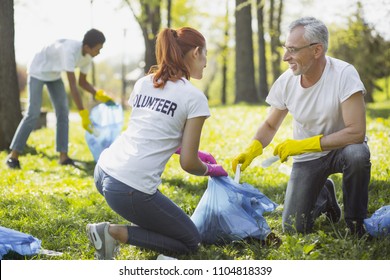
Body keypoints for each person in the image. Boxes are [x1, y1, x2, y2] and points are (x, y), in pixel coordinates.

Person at [86, 27, 228, 260]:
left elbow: (153, 131)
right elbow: (188, 164)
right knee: (190, 240)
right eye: (204, 55)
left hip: (103, 172)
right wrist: (210, 170)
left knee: (164, 225)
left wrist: (198, 153)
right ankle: (112, 232)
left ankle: (120, 231)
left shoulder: (145, 82)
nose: (205, 62)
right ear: (195, 53)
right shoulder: (194, 98)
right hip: (129, 188)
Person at [232, 17, 371, 237]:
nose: (286, 57)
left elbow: (356, 132)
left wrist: (305, 144)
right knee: (293, 228)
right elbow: (270, 124)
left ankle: (355, 223)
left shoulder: (344, 74)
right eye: (286, 49)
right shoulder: (287, 81)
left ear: (317, 50)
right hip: (308, 158)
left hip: (342, 148)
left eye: (293, 50)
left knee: (358, 154)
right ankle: (324, 195)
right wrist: (253, 148)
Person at [6, 28, 113, 169]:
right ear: (87, 47)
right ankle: (13, 156)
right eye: (98, 49)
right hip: (38, 69)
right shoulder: (69, 51)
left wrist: (99, 94)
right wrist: (83, 112)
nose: (99, 52)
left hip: (54, 74)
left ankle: (63, 157)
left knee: (63, 112)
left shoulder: (88, 57)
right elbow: (73, 85)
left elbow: (83, 82)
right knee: (32, 113)